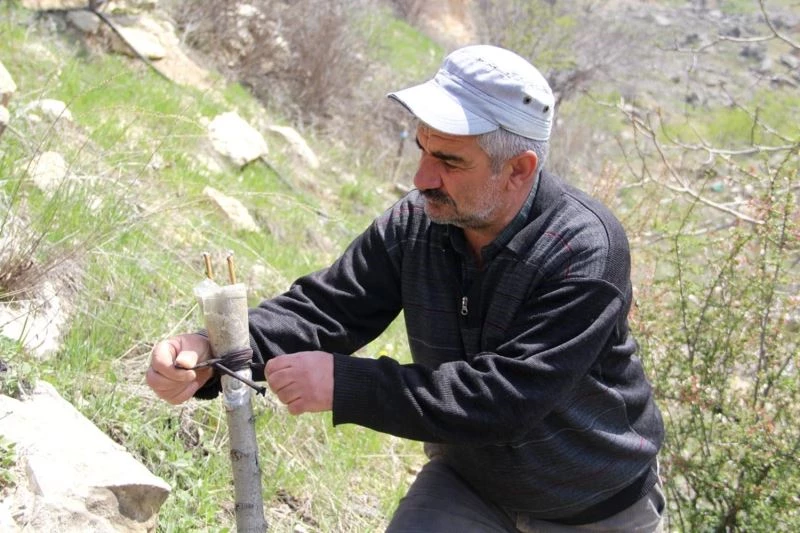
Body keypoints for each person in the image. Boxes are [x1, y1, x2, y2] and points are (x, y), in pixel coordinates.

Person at [147, 45, 666, 532]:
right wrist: (212, 354)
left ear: (518, 169)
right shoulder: (418, 223)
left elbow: (507, 399)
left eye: (449, 160)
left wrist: (347, 385)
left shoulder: (584, 250)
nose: (421, 177)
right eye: (422, 148)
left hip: (594, 507)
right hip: (471, 484)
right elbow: (327, 310)